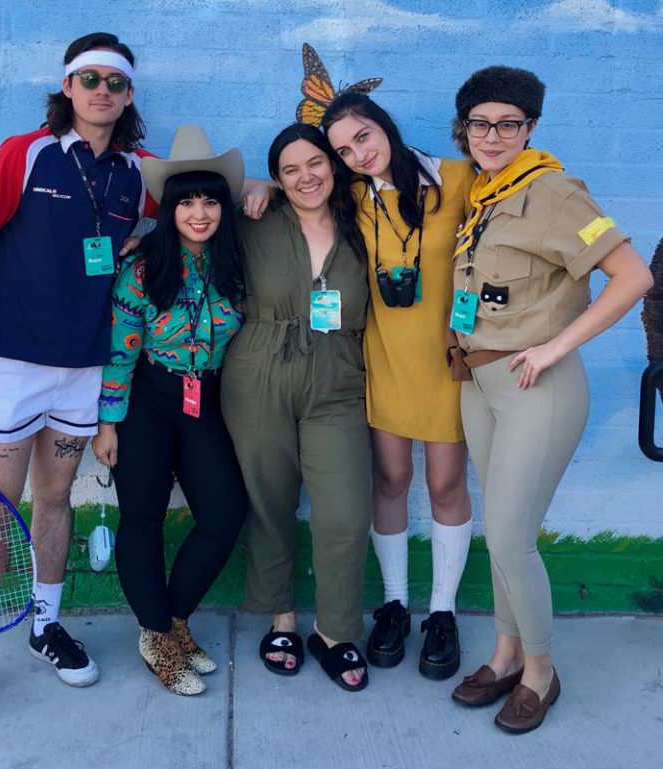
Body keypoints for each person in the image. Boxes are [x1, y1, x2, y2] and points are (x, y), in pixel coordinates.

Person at [0, 32, 157, 735]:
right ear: (66, 87)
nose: (101, 92)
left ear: (128, 95)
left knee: (54, 499)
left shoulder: (141, 170)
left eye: (114, 82)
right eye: (88, 79)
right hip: (11, 366)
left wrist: (257, 186)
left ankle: (45, 626)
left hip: (86, 370)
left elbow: (207, 194)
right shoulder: (23, 154)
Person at [447, 65, 652, 733]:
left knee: (510, 539)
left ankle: (540, 669)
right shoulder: (483, 192)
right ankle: (506, 654)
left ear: (530, 127)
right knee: (506, 535)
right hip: (479, 382)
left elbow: (634, 275)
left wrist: (558, 346)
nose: (493, 134)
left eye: (509, 123)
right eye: (481, 123)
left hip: (538, 384)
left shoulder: (555, 191)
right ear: (466, 128)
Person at [321, 93, 476, 679]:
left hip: (443, 361)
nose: (357, 154)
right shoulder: (351, 197)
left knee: (444, 482)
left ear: (384, 126)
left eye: (363, 137)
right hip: (384, 357)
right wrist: (257, 188)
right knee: (390, 478)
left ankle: (442, 612)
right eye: (343, 149)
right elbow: (293, 188)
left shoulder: (456, 180)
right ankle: (394, 605)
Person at [91, 124, 247, 696]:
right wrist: (108, 422)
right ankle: (155, 633)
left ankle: (173, 620)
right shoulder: (142, 268)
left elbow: (273, 191)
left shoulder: (235, 266)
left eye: (210, 200)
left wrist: (262, 189)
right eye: (186, 201)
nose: (200, 212)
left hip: (204, 398)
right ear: (170, 207)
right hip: (148, 399)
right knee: (142, 519)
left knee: (224, 513)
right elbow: (120, 352)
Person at [222, 123, 371, 691]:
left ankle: (335, 630)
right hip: (258, 369)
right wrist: (251, 185)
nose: (306, 176)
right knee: (270, 500)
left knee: (344, 510)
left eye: (316, 163)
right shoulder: (256, 217)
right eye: (290, 169)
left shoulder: (366, 224)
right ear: (278, 177)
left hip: (336, 374)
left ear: (334, 165)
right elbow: (195, 205)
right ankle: (281, 617)